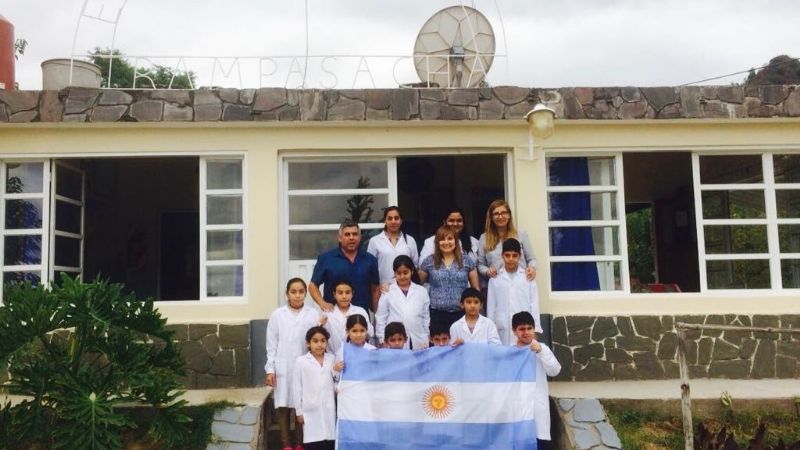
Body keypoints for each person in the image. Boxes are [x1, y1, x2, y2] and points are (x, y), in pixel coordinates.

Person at [265, 278, 327, 450]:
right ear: (287, 294)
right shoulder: (278, 315)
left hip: (305, 366)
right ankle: (286, 443)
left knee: (302, 404)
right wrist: (270, 369)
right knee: (283, 406)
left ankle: (300, 443)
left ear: (305, 294)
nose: (297, 295)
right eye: (293, 292)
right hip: (283, 366)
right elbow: (271, 344)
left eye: (301, 292)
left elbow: (317, 338)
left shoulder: (312, 314)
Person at [512, 311, 561, 448]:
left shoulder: (542, 349)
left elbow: (555, 371)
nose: (526, 332)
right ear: (514, 331)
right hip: (516, 408)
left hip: (536, 408)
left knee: (539, 443)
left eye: (529, 328)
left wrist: (540, 352)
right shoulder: (510, 352)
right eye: (522, 329)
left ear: (534, 329)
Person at [309, 220, 380, 312]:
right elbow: (313, 286)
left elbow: (375, 289)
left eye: (355, 234)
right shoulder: (326, 259)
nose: (351, 238)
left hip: (361, 315)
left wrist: (376, 312)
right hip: (334, 314)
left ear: (360, 237)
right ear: (339, 238)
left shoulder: (370, 260)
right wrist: (322, 303)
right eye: (347, 234)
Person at [418, 226, 480, 331]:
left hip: (461, 314)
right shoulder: (429, 261)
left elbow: (476, 290)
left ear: (456, 241)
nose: (446, 242)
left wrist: (474, 311)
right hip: (436, 315)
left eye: (450, 238)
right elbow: (416, 286)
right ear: (437, 242)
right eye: (442, 239)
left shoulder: (467, 261)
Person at [487, 238, 542, 345]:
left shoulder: (528, 278)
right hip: (502, 329)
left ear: (520, 256)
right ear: (502, 255)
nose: (511, 259)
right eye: (507, 255)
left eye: (514, 255)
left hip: (524, 328)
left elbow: (534, 306)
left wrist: (535, 331)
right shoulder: (495, 279)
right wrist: (491, 332)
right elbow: (491, 308)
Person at [292, 326, 337, 450]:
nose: (319, 344)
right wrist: (299, 411)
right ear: (308, 343)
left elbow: (335, 380)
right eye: (315, 341)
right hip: (310, 409)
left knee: (329, 441)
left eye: (323, 341)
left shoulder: (331, 359)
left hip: (328, 407)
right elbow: (297, 388)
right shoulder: (301, 362)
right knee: (313, 441)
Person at [477, 199, 537, 289]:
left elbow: (531, 259)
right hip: (497, 286)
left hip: (520, 285)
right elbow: (480, 265)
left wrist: (532, 268)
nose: (500, 216)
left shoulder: (521, 234)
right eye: (496, 214)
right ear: (491, 217)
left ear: (509, 215)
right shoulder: (484, 238)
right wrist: (487, 271)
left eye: (504, 213)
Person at [375, 255, 430, 350]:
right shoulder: (388, 291)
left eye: (405, 273)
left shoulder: (421, 291)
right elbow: (381, 317)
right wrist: (382, 338)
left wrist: (426, 335)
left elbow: (426, 317)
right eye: (398, 273)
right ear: (394, 273)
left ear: (412, 271)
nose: (402, 276)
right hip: (394, 339)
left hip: (418, 337)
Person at [367, 206, 419, 286]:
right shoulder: (375, 241)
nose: (393, 221)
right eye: (390, 218)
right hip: (383, 288)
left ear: (401, 221)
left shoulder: (410, 240)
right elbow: (370, 268)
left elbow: (415, 265)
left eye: (396, 218)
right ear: (385, 221)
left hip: (406, 287)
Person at [323, 280, 373, 355]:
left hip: (357, 355)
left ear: (352, 294)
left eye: (347, 292)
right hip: (333, 356)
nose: (344, 296)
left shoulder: (360, 311)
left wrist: (357, 320)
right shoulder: (328, 313)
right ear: (334, 294)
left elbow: (370, 334)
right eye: (340, 293)